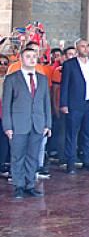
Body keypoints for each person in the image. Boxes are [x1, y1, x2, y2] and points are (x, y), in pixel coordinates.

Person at [2, 47, 51, 198]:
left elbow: (46, 103)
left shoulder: (42, 79)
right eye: (28, 56)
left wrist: (48, 124)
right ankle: (18, 186)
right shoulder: (12, 78)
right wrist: (8, 126)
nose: (32, 59)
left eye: (34, 56)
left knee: (33, 156)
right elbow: (6, 105)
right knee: (17, 156)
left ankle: (30, 185)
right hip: (18, 125)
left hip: (37, 124)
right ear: (21, 59)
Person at [59, 38, 89, 174]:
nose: (86, 49)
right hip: (74, 104)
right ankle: (70, 163)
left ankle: (87, 161)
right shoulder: (69, 64)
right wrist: (63, 104)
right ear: (77, 48)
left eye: (88, 46)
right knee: (72, 134)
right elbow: (64, 86)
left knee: (87, 134)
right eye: (82, 46)